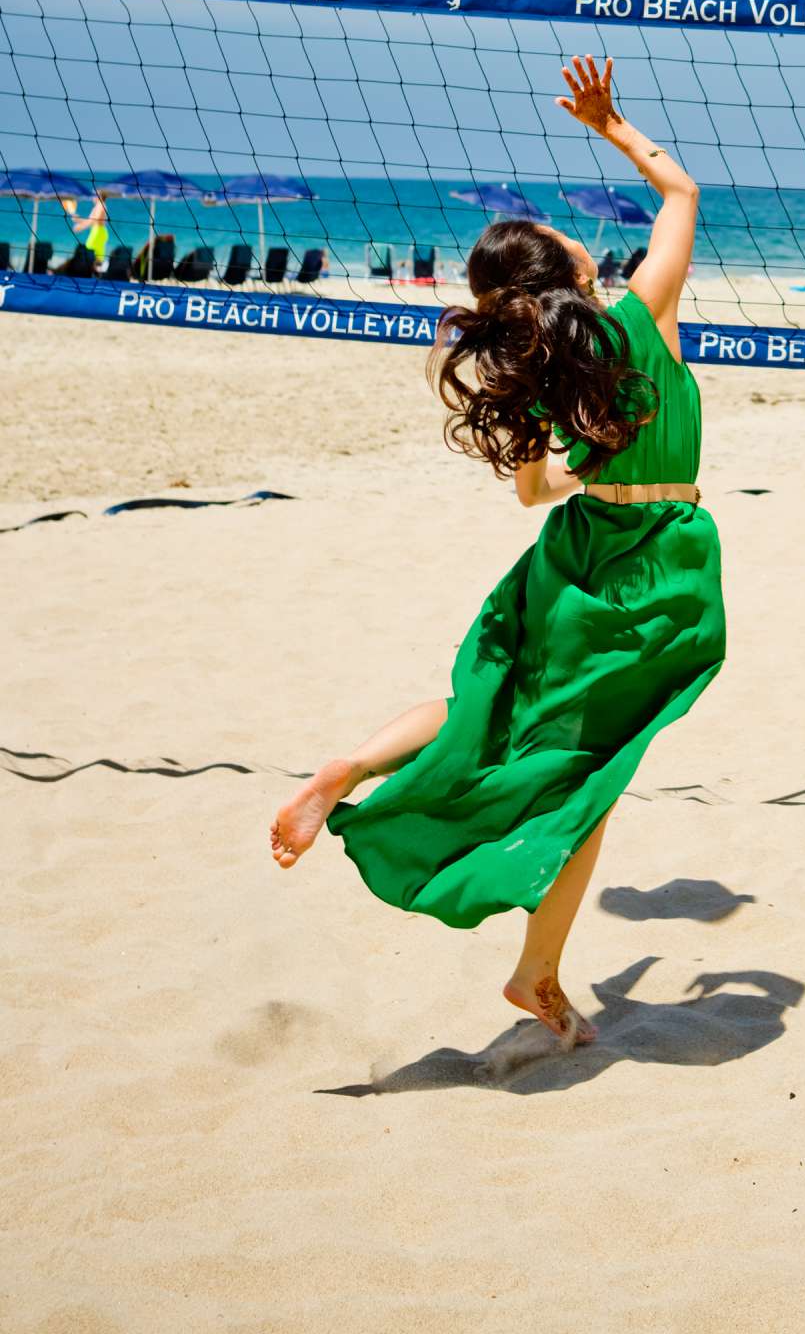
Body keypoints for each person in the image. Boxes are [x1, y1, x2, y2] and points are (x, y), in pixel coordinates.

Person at [269, 56, 725, 1050]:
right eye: (564, 236)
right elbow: (682, 190)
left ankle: (355, 765)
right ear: (565, 273)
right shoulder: (640, 316)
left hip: (574, 558)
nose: (573, 231)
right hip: (660, 570)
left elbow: (534, 491)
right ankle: (535, 973)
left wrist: (588, 469)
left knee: (489, 699)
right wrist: (612, 127)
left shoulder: (556, 368)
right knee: (587, 781)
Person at [60, 189, 110, 268]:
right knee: (95, 256)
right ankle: (95, 272)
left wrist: (80, 227)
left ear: (99, 196)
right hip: (97, 231)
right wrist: (78, 220)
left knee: (90, 254)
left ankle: (94, 272)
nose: (93, 197)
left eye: (94, 195)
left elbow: (93, 221)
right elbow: (90, 220)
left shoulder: (101, 206)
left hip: (98, 232)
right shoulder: (98, 206)